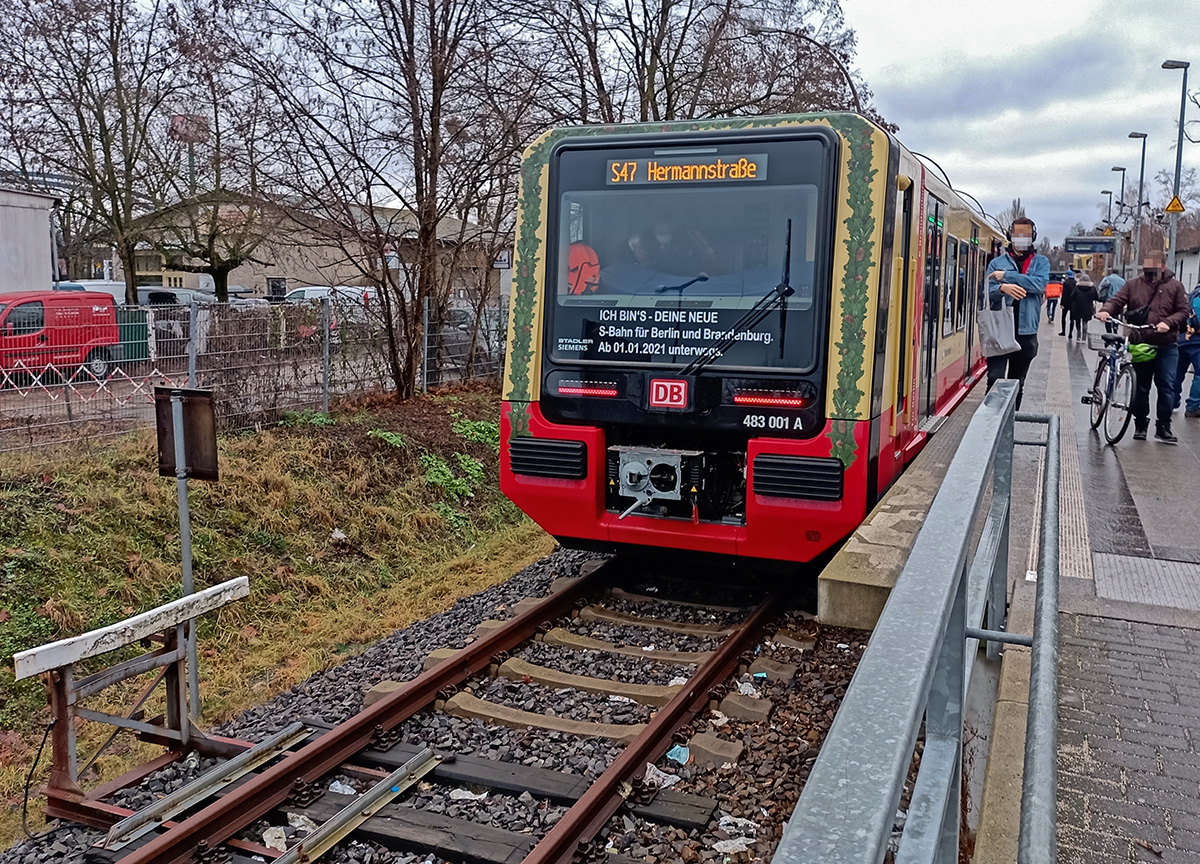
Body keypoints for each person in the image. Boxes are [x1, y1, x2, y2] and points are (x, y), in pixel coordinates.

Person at [1096, 250, 1190, 443]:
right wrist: (1105, 311)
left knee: (1167, 385)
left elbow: (1184, 310)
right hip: (1141, 343)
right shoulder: (1132, 285)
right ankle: (1140, 425)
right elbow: (1116, 301)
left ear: (1163, 267)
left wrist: (1169, 323)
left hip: (1167, 345)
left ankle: (1163, 426)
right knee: (1140, 388)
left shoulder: (1176, 286)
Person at [985, 217, 1049, 409]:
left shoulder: (1041, 262)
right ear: (1010, 236)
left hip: (1026, 332)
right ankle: (990, 425)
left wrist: (1007, 277)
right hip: (999, 329)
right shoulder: (996, 263)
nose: (1021, 238)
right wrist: (1002, 289)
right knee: (994, 379)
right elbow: (986, 292)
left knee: (1016, 382)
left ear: (1033, 237)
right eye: (1017, 234)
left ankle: (1009, 426)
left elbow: (1039, 284)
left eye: (1026, 235)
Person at [628, 218, 718, 277]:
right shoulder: (638, 243)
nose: (663, 233)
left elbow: (708, 267)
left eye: (666, 231)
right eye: (660, 231)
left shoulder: (691, 243)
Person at [1174, 282, 1200, 419]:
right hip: (1197, 342)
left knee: (1177, 372)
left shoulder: (1191, 294)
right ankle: (1193, 407)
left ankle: (1171, 402)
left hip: (1182, 340)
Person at [1070, 273, 1098, 341]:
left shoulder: (1077, 287)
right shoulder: (1092, 288)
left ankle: (1078, 334)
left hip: (1077, 306)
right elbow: (1096, 297)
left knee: (1077, 320)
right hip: (1088, 307)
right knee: (1085, 321)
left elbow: (1072, 296)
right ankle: (1084, 336)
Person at [1098, 268, 1126, 334]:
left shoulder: (1107, 278)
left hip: (1108, 300)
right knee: (1116, 316)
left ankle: (1109, 332)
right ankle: (1115, 327)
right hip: (1119, 301)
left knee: (1107, 316)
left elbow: (1100, 287)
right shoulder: (1122, 281)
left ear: (1112, 272)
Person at [1059, 270, 1077, 337]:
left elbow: (1064, 294)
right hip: (1073, 303)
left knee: (1063, 317)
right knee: (1072, 319)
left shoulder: (1066, 283)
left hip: (1066, 303)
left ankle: (1063, 331)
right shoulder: (1075, 282)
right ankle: (1070, 333)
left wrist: (1062, 303)